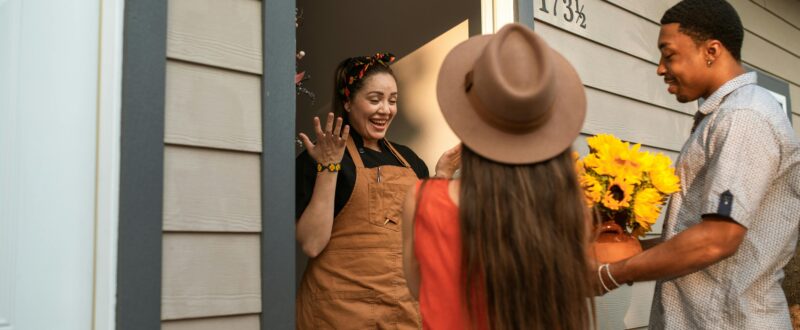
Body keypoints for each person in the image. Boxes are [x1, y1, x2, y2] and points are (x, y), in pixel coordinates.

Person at [599, 1, 800, 329]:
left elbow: (717, 238)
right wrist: (626, 250)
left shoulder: (744, 116)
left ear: (712, 50)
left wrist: (613, 274)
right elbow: (696, 234)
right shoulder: (724, 116)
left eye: (669, 54)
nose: (660, 68)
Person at [401, 23, 595, 329]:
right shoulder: (573, 207)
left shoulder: (423, 200)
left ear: (470, 117)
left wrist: (441, 177)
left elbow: (419, 288)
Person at [295, 52, 460, 329]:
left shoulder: (409, 160)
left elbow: (424, 238)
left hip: (401, 313)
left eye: (392, 100)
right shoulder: (320, 156)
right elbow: (311, 243)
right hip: (339, 315)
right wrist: (329, 168)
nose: (386, 109)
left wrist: (441, 176)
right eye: (375, 100)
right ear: (347, 101)